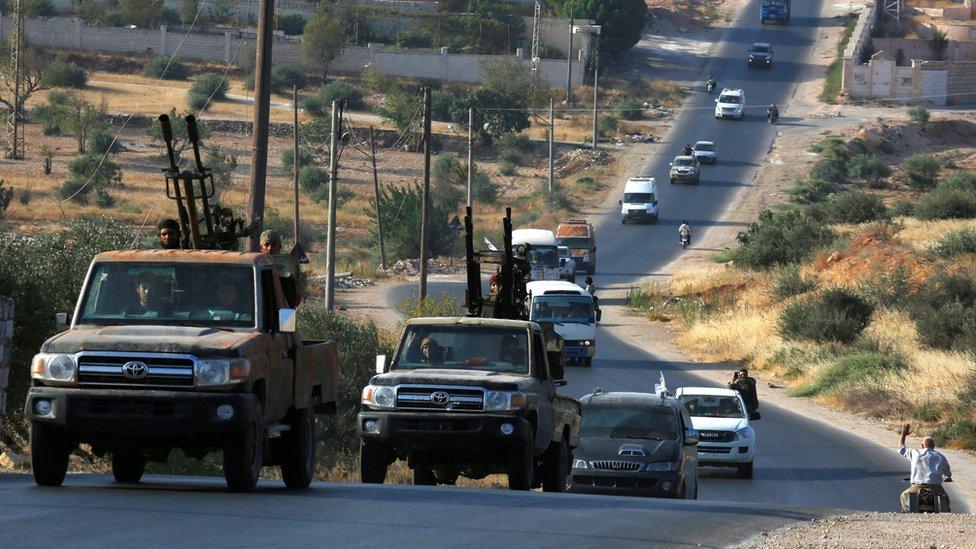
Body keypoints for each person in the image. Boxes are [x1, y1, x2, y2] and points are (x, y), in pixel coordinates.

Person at [898, 423, 952, 512]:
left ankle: (906, 517)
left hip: (916, 487)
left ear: (922, 446)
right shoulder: (941, 457)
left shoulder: (915, 453)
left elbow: (901, 448)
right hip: (936, 488)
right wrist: (947, 477)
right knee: (945, 500)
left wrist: (903, 434)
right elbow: (947, 474)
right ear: (933, 447)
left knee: (904, 496)